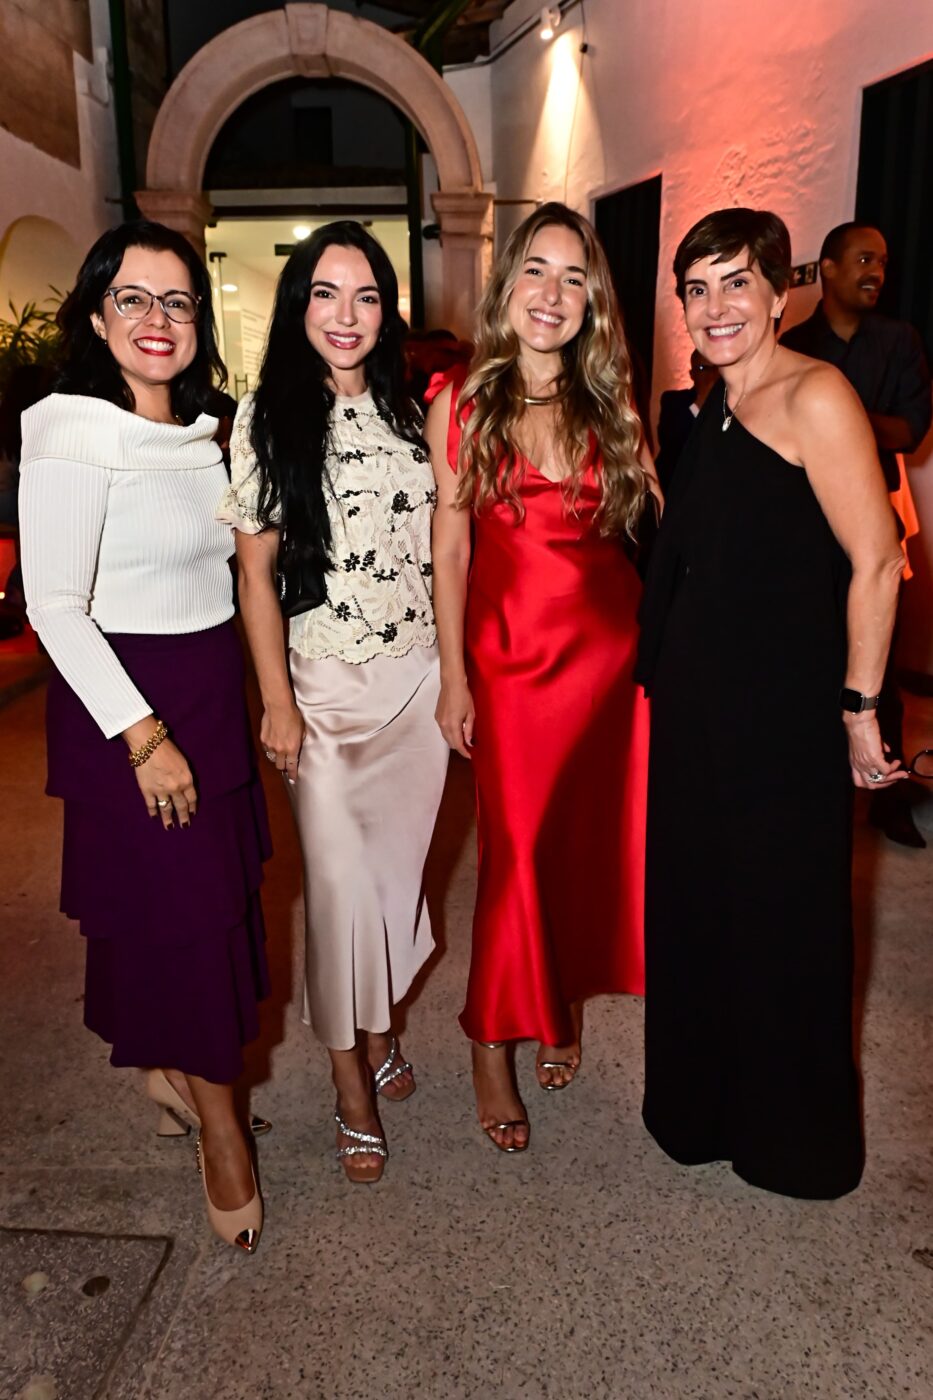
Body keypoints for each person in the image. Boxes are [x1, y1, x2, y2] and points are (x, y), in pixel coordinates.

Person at [637, 207, 906, 1199]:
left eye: (735, 282)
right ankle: (705, 1108)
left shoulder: (816, 395)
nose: (716, 307)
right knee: (705, 906)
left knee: (784, 917)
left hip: (785, 714)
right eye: (696, 288)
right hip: (701, 712)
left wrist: (859, 704)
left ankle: (793, 1138)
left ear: (780, 287)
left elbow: (877, 561)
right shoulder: (708, 403)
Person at [19, 220, 270, 1251]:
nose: (158, 320)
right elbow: (56, 604)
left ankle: (173, 1073)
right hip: (137, 707)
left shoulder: (207, 429)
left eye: (177, 301)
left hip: (210, 693)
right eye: (134, 298)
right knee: (187, 926)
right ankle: (221, 1127)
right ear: (96, 314)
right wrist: (142, 735)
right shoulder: (75, 431)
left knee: (212, 918)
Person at [220, 222, 448, 1184]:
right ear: (297, 306)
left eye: (364, 296)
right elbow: (255, 576)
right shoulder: (264, 418)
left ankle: (382, 1023)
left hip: (419, 690)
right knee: (342, 896)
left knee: (394, 895)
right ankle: (350, 1078)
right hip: (324, 695)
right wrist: (275, 701)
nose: (345, 316)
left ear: (387, 308)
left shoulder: (412, 410)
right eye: (324, 293)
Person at [426, 201, 656, 1153]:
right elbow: (445, 549)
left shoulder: (613, 403)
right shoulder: (460, 401)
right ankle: (491, 1039)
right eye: (535, 272)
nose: (551, 295)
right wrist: (452, 676)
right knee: (514, 853)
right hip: (511, 665)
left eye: (572, 278)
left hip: (613, 666)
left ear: (591, 300)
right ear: (506, 285)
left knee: (578, 845)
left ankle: (553, 1002)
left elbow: (658, 540)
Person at [781, 222, 932, 847]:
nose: (877, 272)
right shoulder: (793, 342)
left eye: (885, 263)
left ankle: (889, 796)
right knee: (808, 653)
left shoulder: (898, 341)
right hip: (804, 522)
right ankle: (810, 782)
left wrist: (827, 411)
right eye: (865, 259)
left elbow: (910, 432)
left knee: (881, 657)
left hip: (879, 519)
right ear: (828, 269)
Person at [654, 349, 719, 493]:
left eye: (716, 368)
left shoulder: (731, 405)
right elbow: (670, 442)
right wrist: (700, 404)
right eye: (703, 369)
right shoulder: (674, 401)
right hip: (677, 486)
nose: (712, 375)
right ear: (692, 374)